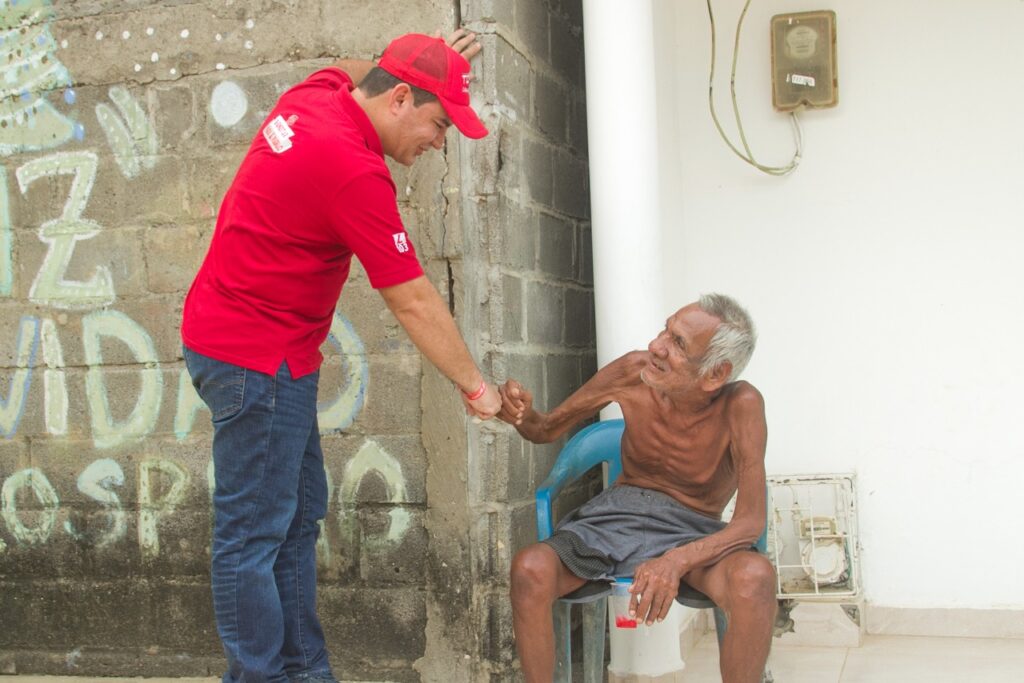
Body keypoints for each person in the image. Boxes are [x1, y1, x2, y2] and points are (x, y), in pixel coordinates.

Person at [180, 29, 501, 683]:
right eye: (440, 125)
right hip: (254, 361)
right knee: (252, 536)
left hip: (269, 351)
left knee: (296, 515)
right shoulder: (352, 169)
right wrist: (475, 386)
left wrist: (439, 61)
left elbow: (358, 67)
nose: (439, 143)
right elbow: (412, 300)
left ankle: (305, 669)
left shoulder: (321, 95)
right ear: (401, 98)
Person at [499, 294, 776, 683]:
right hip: (613, 517)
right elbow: (544, 429)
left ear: (715, 374)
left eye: (678, 343)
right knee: (529, 567)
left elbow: (750, 522)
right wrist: (520, 414)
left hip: (692, 527)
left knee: (755, 578)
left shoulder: (741, 405)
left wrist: (676, 560)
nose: (656, 346)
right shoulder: (634, 369)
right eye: (666, 329)